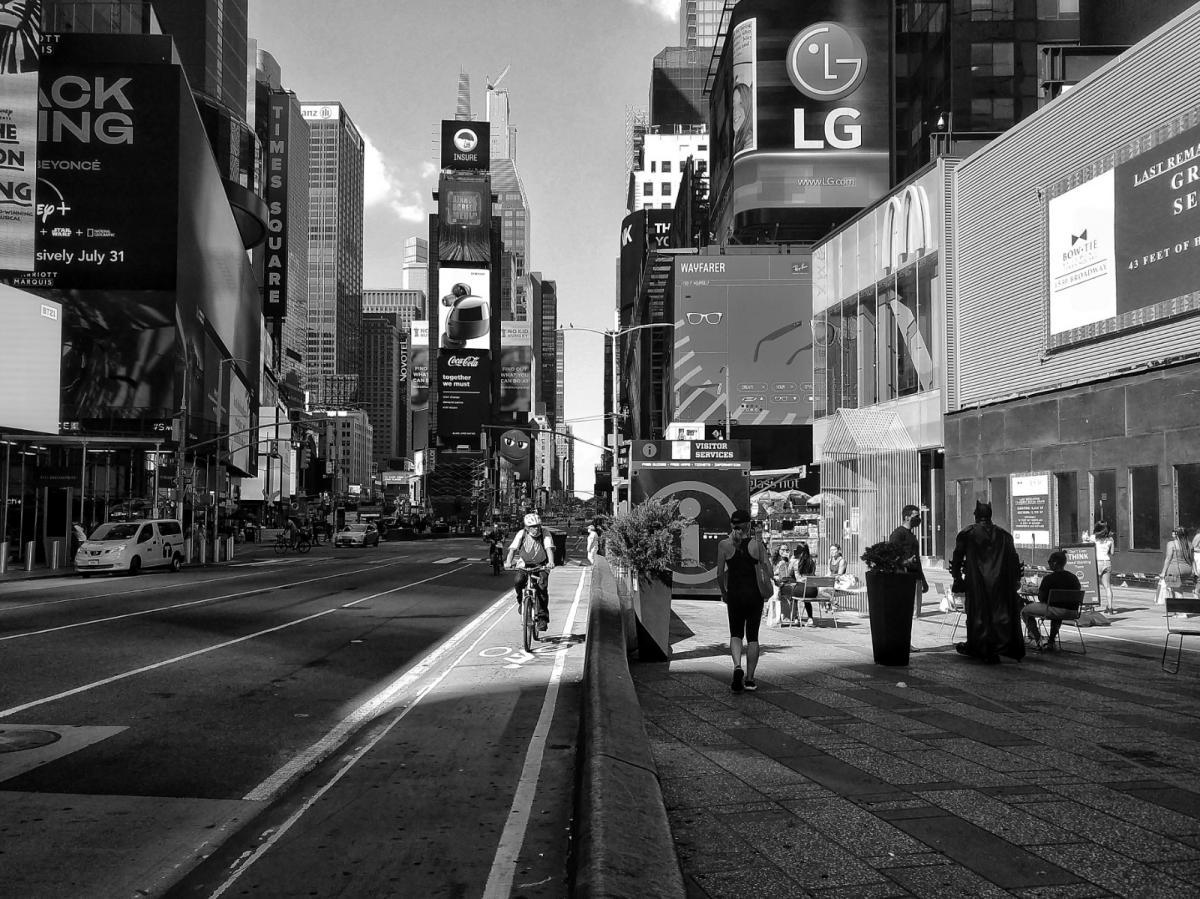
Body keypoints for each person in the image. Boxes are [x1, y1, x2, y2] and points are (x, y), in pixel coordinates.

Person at [950, 501, 1024, 663]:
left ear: (976, 516)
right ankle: (996, 646)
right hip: (999, 583)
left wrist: (956, 577)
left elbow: (957, 558)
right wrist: (1016, 580)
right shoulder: (1004, 535)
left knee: (977, 614)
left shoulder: (967, 533)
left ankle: (979, 646)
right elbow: (1014, 559)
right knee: (997, 614)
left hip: (977, 582)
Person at [716, 509, 771, 693]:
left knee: (736, 634)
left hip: (735, 595)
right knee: (753, 637)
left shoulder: (724, 545)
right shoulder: (756, 545)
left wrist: (724, 592)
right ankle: (749, 679)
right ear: (749, 525)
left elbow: (719, 574)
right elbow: (768, 569)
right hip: (754, 595)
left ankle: (737, 666)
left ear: (732, 525)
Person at [1019, 549, 1082, 650]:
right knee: (1056, 610)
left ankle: (1038, 639)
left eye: (1049, 562)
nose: (1048, 564)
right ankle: (1051, 641)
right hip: (1073, 612)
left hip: (1054, 610)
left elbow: (1041, 598)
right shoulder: (1074, 578)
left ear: (1055, 563)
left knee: (1025, 611)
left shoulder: (1049, 578)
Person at [505, 512, 556, 631]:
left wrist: (551, 562)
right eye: (533, 526)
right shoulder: (521, 534)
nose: (536, 529)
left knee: (542, 588)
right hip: (524, 564)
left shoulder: (545, 533)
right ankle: (521, 603)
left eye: (538, 526)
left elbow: (549, 548)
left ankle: (543, 618)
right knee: (518, 581)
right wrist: (508, 562)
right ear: (527, 527)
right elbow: (512, 550)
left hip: (541, 565)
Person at [889, 504, 930, 621]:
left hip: (915, 576)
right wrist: (906, 562)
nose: (918, 519)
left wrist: (923, 579)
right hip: (903, 576)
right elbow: (892, 556)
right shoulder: (898, 534)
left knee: (916, 614)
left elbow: (917, 558)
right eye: (915, 516)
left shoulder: (911, 535)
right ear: (907, 517)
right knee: (908, 613)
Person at [1157, 526, 1195, 604]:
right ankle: (1176, 610)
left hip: (1175, 570)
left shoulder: (1171, 544)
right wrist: (1194, 570)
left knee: (1178, 591)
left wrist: (1163, 572)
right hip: (1187, 570)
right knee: (1176, 589)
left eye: (1174, 531)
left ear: (1177, 534)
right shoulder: (1190, 544)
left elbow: (1168, 558)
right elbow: (1192, 559)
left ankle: (1181, 613)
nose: (1172, 533)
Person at [1087, 522, 1116, 611]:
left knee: (1093, 585)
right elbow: (1112, 553)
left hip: (1096, 562)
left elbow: (1086, 546)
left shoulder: (1093, 538)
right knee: (1107, 586)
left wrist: (1085, 538)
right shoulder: (1110, 539)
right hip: (1106, 562)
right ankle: (1110, 607)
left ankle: (1092, 606)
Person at [792, 542, 819, 626]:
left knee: (793, 596)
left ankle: (795, 618)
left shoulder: (795, 562)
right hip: (812, 591)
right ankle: (810, 618)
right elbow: (813, 574)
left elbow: (790, 574)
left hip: (801, 588)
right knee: (806, 599)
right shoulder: (812, 562)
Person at [772, 545, 796, 626]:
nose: (785, 551)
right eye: (783, 549)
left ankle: (791, 616)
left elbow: (791, 574)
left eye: (787, 550)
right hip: (777, 584)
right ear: (778, 550)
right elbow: (772, 573)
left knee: (791, 592)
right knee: (777, 592)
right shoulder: (775, 561)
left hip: (787, 584)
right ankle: (778, 616)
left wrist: (789, 561)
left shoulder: (790, 561)